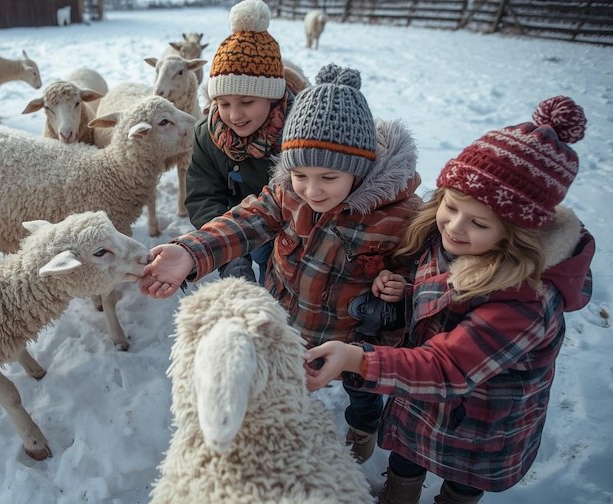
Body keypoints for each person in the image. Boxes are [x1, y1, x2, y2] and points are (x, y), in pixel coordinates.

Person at [304, 96, 595, 504]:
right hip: (422, 396)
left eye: (477, 222)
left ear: (518, 233)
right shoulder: (448, 242)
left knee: (462, 480)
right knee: (406, 457)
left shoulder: (527, 302)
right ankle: (397, 495)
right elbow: (437, 291)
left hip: (482, 421)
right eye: (451, 206)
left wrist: (358, 359)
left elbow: (448, 366)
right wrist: (403, 288)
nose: (454, 228)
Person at [142, 63, 422, 462]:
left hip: (356, 341)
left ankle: (362, 427)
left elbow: (422, 270)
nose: (312, 190)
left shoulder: (399, 217)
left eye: (328, 177)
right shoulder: (288, 192)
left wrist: (400, 284)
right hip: (291, 324)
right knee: (286, 378)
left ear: (360, 168)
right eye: (301, 174)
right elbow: (245, 220)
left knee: (362, 394)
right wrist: (191, 252)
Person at [185, 0, 300, 285]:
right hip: (233, 228)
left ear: (272, 97)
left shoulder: (297, 131)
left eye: (247, 102)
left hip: (291, 234)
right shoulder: (207, 134)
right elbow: (204, 195)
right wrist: (231, 255)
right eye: (223, 103)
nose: (234, 115)